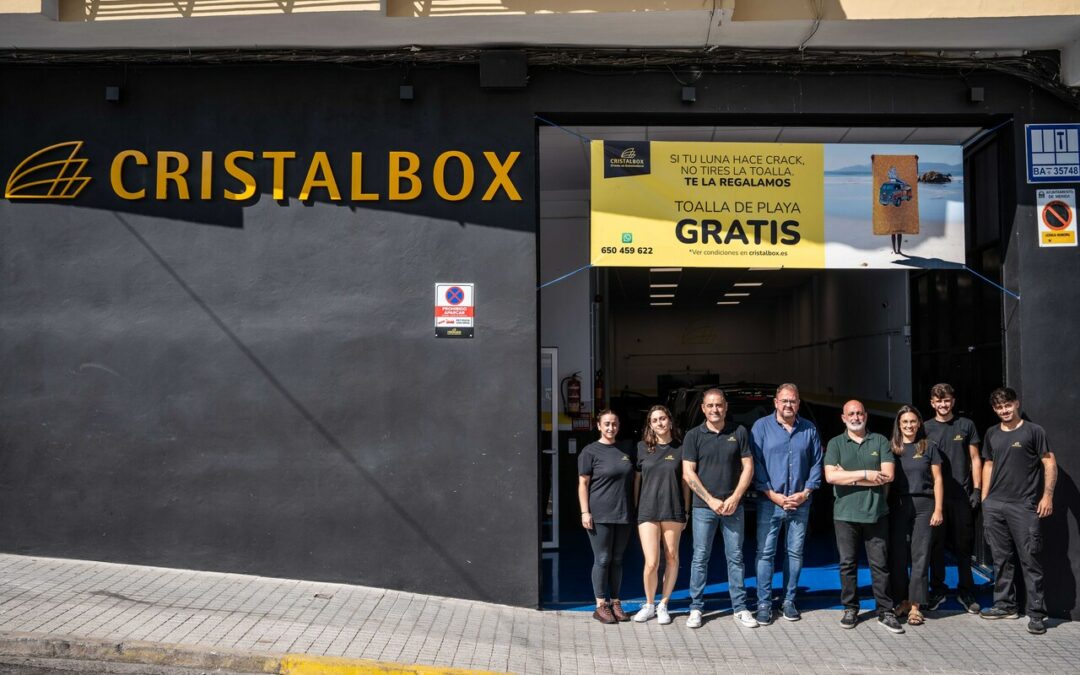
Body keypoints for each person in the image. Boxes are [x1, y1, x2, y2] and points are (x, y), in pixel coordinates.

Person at [979, 387, 1057, 635]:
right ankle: (1005, 605)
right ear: (995, 410)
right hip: (995, 505)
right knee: (1001, 559)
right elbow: (988, 464)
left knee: (1030, 560)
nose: (1004, 410)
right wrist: (985, 500)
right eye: (999, 407)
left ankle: (1036, 613)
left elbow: (1049, 462)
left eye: (1007, 405)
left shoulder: (1034, 431)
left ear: (1016, 404)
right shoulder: (991, 433)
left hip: (1023, 506)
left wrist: (1047, 495)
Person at [824, 400, 904, 634]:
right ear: (843, 417)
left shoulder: (879, 441)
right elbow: (830, 477)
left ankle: (885, 611)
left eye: (859, 413)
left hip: (876, 513)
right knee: (847, 564)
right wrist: (868, 474)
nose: (856, 417)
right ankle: (850, 608)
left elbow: (888, 475)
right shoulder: (836, 443)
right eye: (851, 413)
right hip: (845, 515)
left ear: (866, 416)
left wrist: (848, 477)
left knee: (879, 564)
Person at [682, 389, 756, 629]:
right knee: (700, 557)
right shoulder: (693, 436)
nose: (715, 409)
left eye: (719, 405)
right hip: (704, 507)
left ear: (726, 407)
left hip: (733, 506)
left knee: (735, 557)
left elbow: (748, 467)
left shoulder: (739, 432)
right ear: (703, 408)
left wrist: (735, 497)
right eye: (710, 405)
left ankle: (740, 607)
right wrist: (711, 500)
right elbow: (688, 473)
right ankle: (696, 607)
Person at [750, 383, 823, 625]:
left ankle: (788, 601)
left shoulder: (809, 429)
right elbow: (756, 462)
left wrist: (806, 492)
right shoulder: (761, 428)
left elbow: (816, 463)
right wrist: (771, 494)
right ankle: (763, 603)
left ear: (798, 404)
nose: (788, 405)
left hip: (800, 502)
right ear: (775, 403)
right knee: (765, 553)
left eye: (793, 401)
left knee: (794, 553)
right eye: (784, 401)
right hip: (770, 502)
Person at [923, 383, 983, 614]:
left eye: (946, 400)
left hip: (962, 497)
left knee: (963, 547)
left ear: (953, 401)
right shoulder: (925, 428)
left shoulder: (966, 425)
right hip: (934, 498)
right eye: (938, 401)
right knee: (935, 546)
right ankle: (937, 589)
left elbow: (975, 459)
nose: (943, 404)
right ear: (932, 403)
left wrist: (977, 490)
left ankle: (966, 591)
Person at [887, 405, 944, 627]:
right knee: (899, 555)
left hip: (924, 505)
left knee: (920, 555)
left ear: (919, 423)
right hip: (899, 505)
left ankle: (916, 606)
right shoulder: (892, 448)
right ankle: (902, 600)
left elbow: (938, 479)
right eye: (905, 422)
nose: (909, 426)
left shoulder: (928, 447)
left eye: (912, 421)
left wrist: (938, 509)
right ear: (899, 425)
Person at [632, 405, 689, 625]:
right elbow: (637, 481)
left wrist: (686, 510)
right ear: (650, 425)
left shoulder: (681, 448)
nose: (659, 423)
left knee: (672, 556)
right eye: (655, 420)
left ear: (670, 421)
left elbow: (685, 483)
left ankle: (664, 603)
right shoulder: (641, 448)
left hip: (673, 509)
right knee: (651, 562)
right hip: (647, 510)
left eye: (663, 419)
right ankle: (649, 604)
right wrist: (636, 507)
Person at [578, 409, 635, 624]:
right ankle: (600, 604)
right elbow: (583, 484)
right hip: (600, 514)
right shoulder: (590, 452)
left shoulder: (625, 450)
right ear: (599, 426)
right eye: (607, 424)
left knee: (618, 559)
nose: (611, 428)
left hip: (623, 513)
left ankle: (615, 601)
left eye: (614, 424)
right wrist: (585, 511)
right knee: (602, 559)